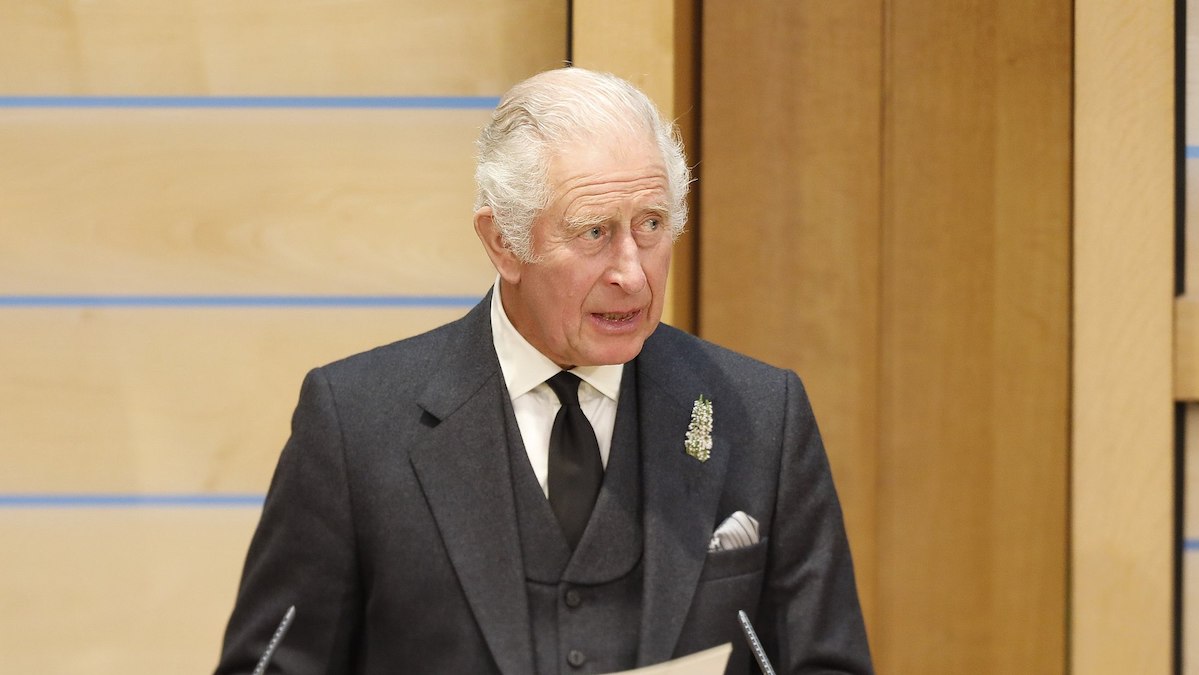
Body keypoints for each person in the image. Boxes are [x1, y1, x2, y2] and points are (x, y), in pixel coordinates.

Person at [215, 67, 872, 674]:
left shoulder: (759, 414)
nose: (632, 271)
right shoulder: (355, 425)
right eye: (592, 232)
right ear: (502, 240)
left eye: (650, 225)